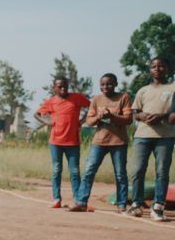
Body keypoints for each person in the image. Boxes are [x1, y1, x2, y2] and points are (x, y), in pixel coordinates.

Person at [72, 73, 132, 212]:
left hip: (118, 142)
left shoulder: (123, 97)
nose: (106, 87)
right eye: (103, 84)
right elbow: (89, 121)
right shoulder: (96, 99)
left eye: (109, 84)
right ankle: (81, 202)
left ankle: (121, 204)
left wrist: (111, 116)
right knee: (89, 171)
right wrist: (98, 117)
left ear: (116, 84)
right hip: (99, 141)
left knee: (120, 174)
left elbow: (128, 119)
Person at [126, 56, 175, 221]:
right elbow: (135, 112)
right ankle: (137, 204)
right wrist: (141, 115)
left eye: (161, 66)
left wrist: (162, 116)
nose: (157, 69)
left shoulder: (173, 87)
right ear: (149, 70)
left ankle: (158, 206)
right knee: (137, 170)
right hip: (142, 136)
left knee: (162, 171)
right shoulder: (143, 90)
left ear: (167, 69)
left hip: (165, 136)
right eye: (154, 66)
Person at [35, 77, 90, 208]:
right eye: (60, 86)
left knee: (75, 172)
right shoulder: (51, 102)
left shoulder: (77, 97)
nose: (63, 89)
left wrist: (82, 121)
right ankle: (56, 199)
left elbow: (92, 106)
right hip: (56, 142)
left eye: (65, 86)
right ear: (54, 88)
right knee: (56, 170)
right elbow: (36, 114)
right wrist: (47, 122)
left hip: (73, 142)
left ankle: (78, 200)